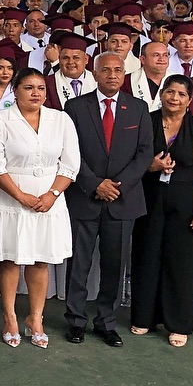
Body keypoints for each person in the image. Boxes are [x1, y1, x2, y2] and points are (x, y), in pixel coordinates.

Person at [0, 69, 79, 347]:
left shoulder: (61, 120)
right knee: (10, 257)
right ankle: (9, 316)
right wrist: (20, 196)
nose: (36, 93)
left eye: (41, 88)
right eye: (29, 88)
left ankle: (36, 318)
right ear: (15, 91)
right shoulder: (0, 120)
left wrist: (53, 194)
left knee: (40, 259)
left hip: (49, 199)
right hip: (8, 198)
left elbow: (70, 164)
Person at [62, 52, 155, 346]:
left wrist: (118, 187)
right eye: (106, 70)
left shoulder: (138, 108)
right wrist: (94, 184)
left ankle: (106, 322)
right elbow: (69, 151)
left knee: (115, 265)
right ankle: (76, 321)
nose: (112, 75)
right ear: (95, 73)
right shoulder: (76, 107)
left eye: (117, 70)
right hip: (84, 198)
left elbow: (145, 153)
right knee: (79, 264)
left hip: (122, 201)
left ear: (124, 74)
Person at [130, 75, 193, 347]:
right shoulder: (146, 121)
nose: (174, 98)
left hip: (187, 204)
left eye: (181, 94)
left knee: (183, 264)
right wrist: (151, 166)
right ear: (161, 94)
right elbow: (131, 161)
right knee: (146, 257)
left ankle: (178, 324)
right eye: (169, 92)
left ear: (190, 100)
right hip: (149, 201)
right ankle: (144, 317)